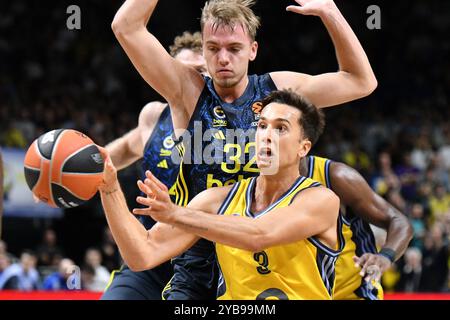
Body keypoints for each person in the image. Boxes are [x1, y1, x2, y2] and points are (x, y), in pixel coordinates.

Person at [111, 0, 377, 299]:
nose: (223, 58)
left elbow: (360, 81)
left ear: (252, 50)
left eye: (234, 49)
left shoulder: (278, 92)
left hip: (264, 256)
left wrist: (330, 11)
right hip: (198, 253)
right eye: (213, 49)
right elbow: (126, 27)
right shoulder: (187, 90)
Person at [100, 89, 343, 299]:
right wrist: (109, 188)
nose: (266, 135)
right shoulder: (216, 200)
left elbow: (259, 234)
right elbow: (143, 253)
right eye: (261, 125)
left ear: (304, 147)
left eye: (280, 128)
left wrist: (175, 214)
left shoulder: (320, 200)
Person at [102, 31, 207, 300]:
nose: (196, 79)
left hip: (206, 260)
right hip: (152, 253)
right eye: (187, 72)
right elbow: (126, 148)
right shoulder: (153, 115)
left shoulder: (229, 124)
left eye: (203, 71)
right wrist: (70, 171)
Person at [299, 155, 413, 299]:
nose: (267, 138)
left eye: (280, 130)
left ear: (304, 145)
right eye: (262, 130)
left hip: (352, 294)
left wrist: (385, 256)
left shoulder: (336, 176)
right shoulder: (262, 180)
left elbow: (399, 221)